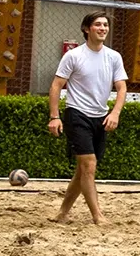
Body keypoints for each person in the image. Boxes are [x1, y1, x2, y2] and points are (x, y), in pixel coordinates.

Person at [46, 12, 128, 224]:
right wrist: (54, 117)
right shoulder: (74, 56)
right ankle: (98, 216)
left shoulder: (114, 57)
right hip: (77, 114)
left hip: (100, 117)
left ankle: (63, 212)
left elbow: (121, 88)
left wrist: (115, 112)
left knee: (83, 169)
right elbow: (56, 86)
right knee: (89, 166)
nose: (103, 28)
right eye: (98, 25)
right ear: (86, 29)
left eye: (105, 25)